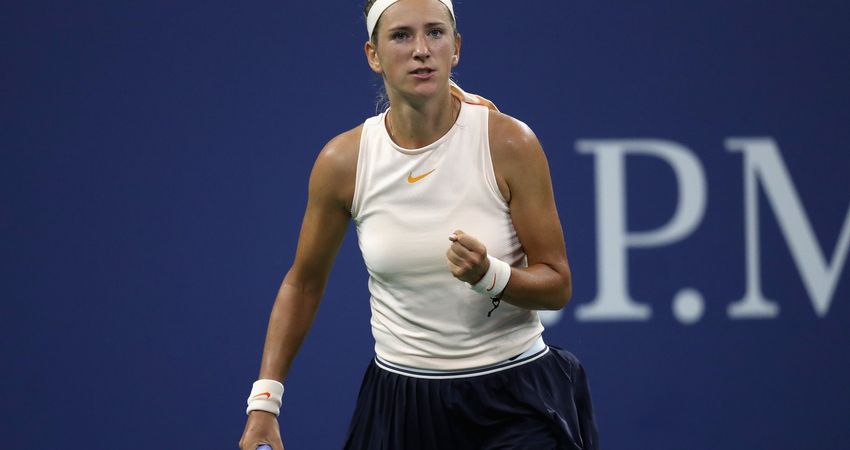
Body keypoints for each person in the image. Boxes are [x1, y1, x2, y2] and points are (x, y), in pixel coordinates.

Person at [239, 0, 598, 448]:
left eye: (435, 32)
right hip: (399, 406)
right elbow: (303, 283)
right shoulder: (342, 162)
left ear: (456, 48)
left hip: (516, 399)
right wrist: (265, 402)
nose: (421, 49)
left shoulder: (510, 143)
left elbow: (557, 284)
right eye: (401, 36)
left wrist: (490, 276)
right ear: (373, 55)